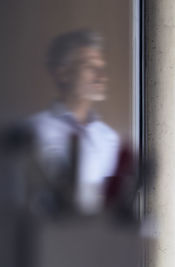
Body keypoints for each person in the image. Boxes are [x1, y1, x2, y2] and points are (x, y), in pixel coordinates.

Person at [29, 29, 120, 215]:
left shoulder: (110, 139)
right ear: (63, 73)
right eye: (89, 66)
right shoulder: (33, 131)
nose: (101, 75)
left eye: (102, 67)